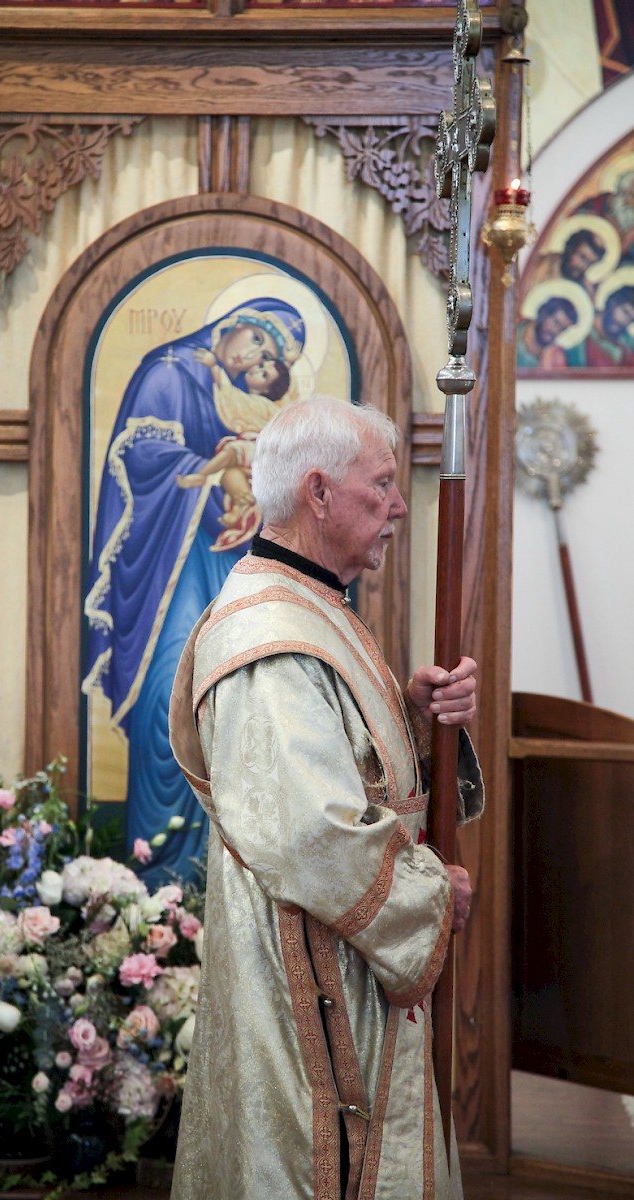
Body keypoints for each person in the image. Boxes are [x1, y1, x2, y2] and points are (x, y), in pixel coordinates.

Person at [169, 395, 483, 1200]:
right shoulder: (267, 638)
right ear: (318, 492)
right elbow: (309, 831)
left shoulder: (309, 605)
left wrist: (415, 719)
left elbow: (337, 770)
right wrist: (428, 896)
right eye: (381, 485)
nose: (398, 507)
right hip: (310, 983)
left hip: (338, 958)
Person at [83, 298, 305, 886]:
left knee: (236, 707)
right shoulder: (170, 373)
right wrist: (219, 478)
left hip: (231, 559)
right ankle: (156, 882)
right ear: (232, 324)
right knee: (168, 700)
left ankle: (222, 877)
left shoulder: (245, 398)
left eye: (269, 358)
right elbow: (139, 457)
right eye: (257, 341)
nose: (256, 359)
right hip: (170, 563)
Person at [176, 346, 294, 550]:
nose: (257, 369)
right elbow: (233, 397)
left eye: (264, 374)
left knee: (232, 451)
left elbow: (231, 397)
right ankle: (239, 507)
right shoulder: (250, 400)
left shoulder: (263, 405)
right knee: (229, 475)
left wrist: (214, 367)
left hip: (259, 450)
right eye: (262, 365)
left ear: (267, 389)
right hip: (250, 449)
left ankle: (200, 475)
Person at [517, 294, 579, 368]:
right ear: (543, 313)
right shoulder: (514, 331)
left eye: (562, 329)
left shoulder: (556, 357)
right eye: (556, 322)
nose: (556, 331)